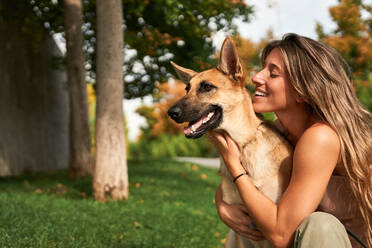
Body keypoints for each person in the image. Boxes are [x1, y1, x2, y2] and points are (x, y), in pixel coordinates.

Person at [207, 33, 371, 248]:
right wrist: (222, 206)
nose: (256, 77)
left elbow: (280, 235)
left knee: (319, 224)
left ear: (303, 91)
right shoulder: (279, 133)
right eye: (262, 68)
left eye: (273, 74)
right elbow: (230, 187)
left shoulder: (320, 137)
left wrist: (234, 165)